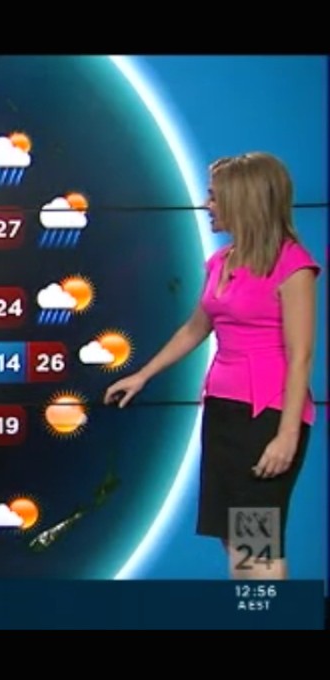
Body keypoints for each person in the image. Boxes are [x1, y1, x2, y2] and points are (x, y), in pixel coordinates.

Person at [104, 152, 320, 580]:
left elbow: (301, 357)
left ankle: (268, 613)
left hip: (266, 416)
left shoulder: (292, 265)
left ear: (244, 200)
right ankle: (250, 611)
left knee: (255, 541)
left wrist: (287, 436)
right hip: (222, 412)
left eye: (215, 197)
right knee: (234, 537)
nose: (207, 205)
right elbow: (194, 328)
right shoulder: (221, 262)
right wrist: (143, 375)